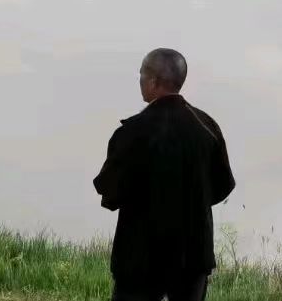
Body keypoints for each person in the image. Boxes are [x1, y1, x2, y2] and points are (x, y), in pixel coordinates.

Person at [94, 48, 234, 301]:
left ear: (154, 82)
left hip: (141, 257)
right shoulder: (208, 128)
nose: (139, 82)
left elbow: (110, 192)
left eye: (141, 75)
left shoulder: (133, 132)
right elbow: (222, 186)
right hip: (192, 258)